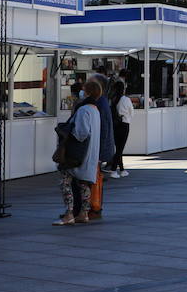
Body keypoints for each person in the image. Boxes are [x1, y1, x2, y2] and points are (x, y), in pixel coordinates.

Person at [56, 77, 101, 225]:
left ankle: (69, 213)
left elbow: (81, 133)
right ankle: (84, 213)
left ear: (87, 92)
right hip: (91, 153)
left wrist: (67, 132)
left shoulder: (84, 110)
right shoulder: (95, 110)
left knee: (65, 180)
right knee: (84, 183)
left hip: (78, 153)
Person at [87, 74, 114, 219]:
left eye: (90, 84)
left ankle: (95, 207)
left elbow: (103, 129)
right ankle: (94, 207)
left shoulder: (100, 104)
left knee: (94, 179)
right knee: (94, 179)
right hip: (98, 149)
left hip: (97, 150)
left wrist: (99, 153)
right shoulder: (101, 102)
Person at [109, 80, 132, 177]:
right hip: (124, 124)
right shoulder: (126, 99)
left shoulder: (113, 99)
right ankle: (113, 169)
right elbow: (131, 112)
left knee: (118, 147)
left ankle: (122, 169)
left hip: (115, 125)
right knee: (120, 149)